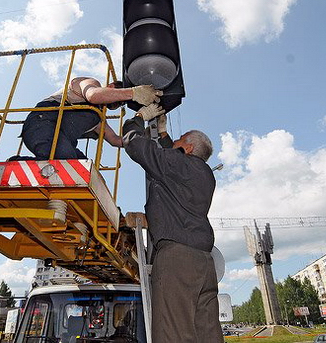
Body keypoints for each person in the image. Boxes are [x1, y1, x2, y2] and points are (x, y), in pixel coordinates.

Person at [122, 103, 223, 343]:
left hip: (177, 258)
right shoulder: (203, 173)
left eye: (179, 140)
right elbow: (171, 160)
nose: (173, 143)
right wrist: (165, 135)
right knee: (206, 332)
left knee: (173, 332)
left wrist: (137, 118)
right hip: (203, 261)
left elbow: (134, 144)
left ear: (188, 148)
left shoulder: (180, 166)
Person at [20, 77, 162, 160]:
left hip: (61, 139)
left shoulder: (97, 118)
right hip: (41, 124)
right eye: (119, 97)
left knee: (84, 168)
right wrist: (133, 93)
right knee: (68, 162)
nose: (118, 103)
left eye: (121, 103)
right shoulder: (90, 83)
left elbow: (116, 140)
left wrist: (143, 131)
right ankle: (17, 163)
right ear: (111, 87)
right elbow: (93, 96)